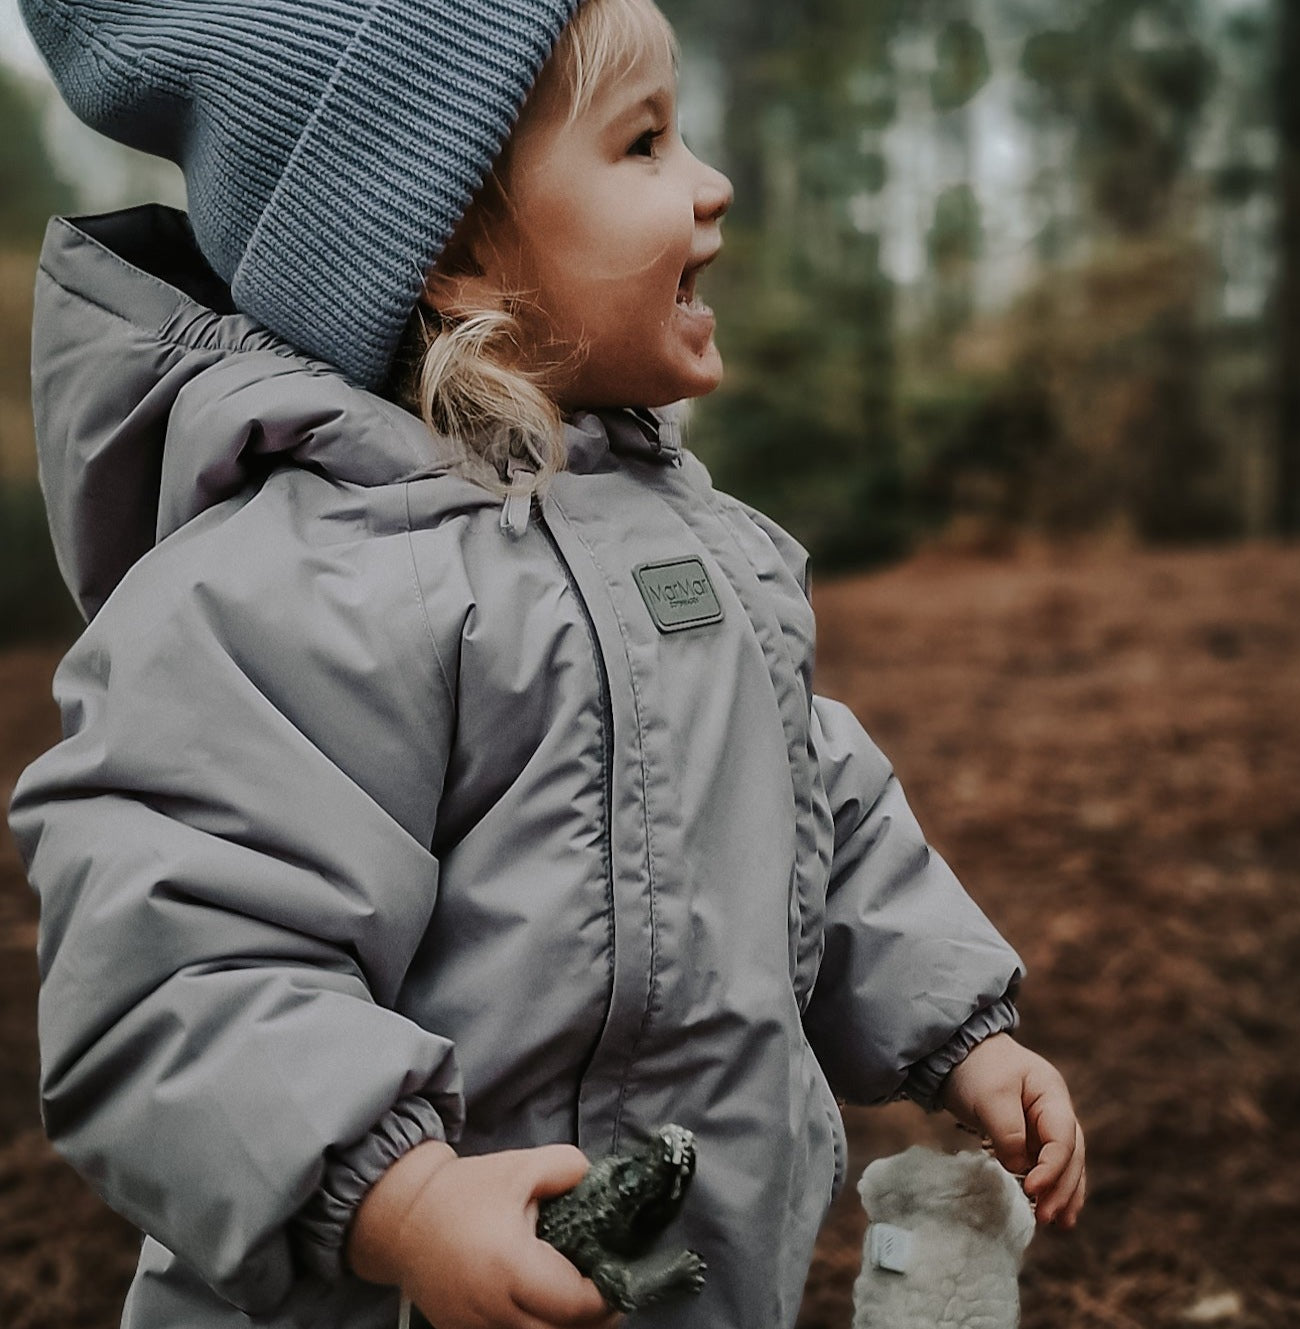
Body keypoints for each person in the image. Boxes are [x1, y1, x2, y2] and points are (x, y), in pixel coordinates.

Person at [10, 2, 1085, 1328]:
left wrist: (956, 1027)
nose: (711, 183)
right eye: (641, 145)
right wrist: (394, 1197)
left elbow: (811, 809)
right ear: (453, 246)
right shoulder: (291, 588)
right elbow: (177, 957)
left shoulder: (694, 546)